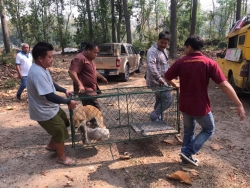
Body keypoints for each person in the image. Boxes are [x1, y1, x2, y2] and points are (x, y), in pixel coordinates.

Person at [164, 35, 246, 166]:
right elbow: (224, 85)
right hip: (200, 106)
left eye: (185, 48)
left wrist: (176, 86)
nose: (185, 50)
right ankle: (188, 151)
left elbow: (167, 77)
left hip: (185, 104)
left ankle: (186, 157)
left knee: (189, 130)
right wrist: (239, 104)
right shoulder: (209, 63)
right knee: (209, 129)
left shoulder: (180, 62)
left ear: (189, 47)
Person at [27, 42, 77, 166]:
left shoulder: (42, 69)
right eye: (49, 57)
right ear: (40, 58)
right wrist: (68, 102)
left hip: (50, 107)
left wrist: (64, 90)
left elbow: (51, 84)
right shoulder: (37, 73)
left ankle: (52, 145)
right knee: (60, 130)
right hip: (44, 110)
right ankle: (61, 157)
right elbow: (49, 95)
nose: (52, 59)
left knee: (64, 121)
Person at [68, 42, 108, 110]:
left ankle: (93, 120)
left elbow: (93, 71)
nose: (96, 55)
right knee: (95, 111)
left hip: (92, 90)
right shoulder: (80, 58)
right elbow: (72, 72)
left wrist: (102, 77)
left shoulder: (90, 60)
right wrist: (80, 85)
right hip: (85, 91)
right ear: (88, 50)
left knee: (92, 112)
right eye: (94, 53)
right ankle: (95, 121)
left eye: (97, 53)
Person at [146, 31, 172, 122]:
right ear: (158, 40)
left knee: (160, 99)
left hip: (163, 80)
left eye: (166, 43)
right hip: (155, 81)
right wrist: (159, 78)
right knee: (168, 99)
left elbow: (165, 64)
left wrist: (171, 74)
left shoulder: (164, 51)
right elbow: (151, 66)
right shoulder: (152, 51)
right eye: (162, 42)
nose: (163, 45)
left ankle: (157, 118)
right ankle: (154, 115)